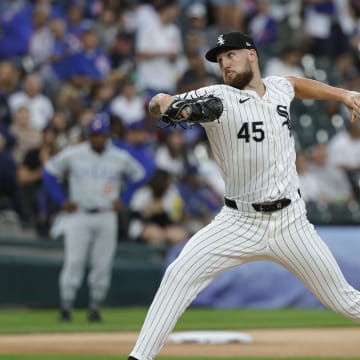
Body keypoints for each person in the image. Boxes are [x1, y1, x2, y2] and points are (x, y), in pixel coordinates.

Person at [128, 31, 360, 360]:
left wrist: (343, 94)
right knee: (179, 274)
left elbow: (295, 83)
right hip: (238, 221)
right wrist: (169, 106)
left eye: (231, 55)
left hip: (290, 222)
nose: (225, 63)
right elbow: (160, 103)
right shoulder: (217, 96)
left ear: (252, 54)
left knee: (345, 300)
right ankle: (139, 357)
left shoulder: (279, 87)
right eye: (220, 60)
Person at [42, 112, 144, 322]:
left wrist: (124, 198)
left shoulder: (119, 156)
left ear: (108, 136)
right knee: (74, 261)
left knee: (102, 264)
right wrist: (61, 200)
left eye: (102, 135)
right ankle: (66, 306)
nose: (99, 138)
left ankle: (95, 307)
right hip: (79, 214)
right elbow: (48, 172)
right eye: (95, 134)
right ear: (89, 135)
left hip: (106, 214)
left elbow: (140, 175)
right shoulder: (73, 153)